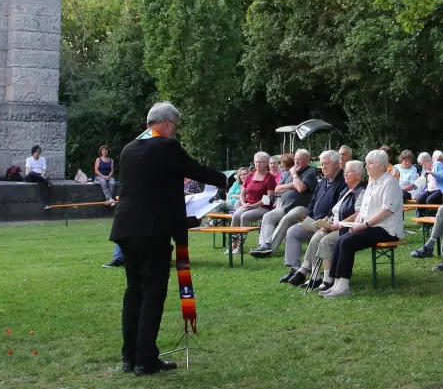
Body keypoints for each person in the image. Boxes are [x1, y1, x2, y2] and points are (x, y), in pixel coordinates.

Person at [109, 102, 228, 374]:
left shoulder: (129, 149)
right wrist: (224, 179)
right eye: (175, 127)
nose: (175, 132)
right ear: (166, 124)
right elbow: (194, 169)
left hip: (126, 228)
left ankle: (129, 356)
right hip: (152, 231)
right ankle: (146, 359)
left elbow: (154, 187)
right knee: (153, 293)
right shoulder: (165, 146)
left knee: (134, 291)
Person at [322, 150, 405, 298]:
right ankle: (335, 283)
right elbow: (363, 210)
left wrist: (364, 225)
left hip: (386, 229)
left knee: (347, 242)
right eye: (366, 163)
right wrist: (355, 224)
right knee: (340, 239)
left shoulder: (389, 182)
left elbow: (386, 211)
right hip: (370, 226)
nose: (367, 167)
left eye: (370, 163)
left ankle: (344, 286)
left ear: (381, 166)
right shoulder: (372, 183)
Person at [278, 153, 348, 285]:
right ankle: (294, 269)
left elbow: (337, 206)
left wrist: (320, 222)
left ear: (336, 164)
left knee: (317, 235)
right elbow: (312, 202)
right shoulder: (324, 182)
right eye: (321, 164)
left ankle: (306, 271)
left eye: (326, 164)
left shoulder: (342, 182)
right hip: (313, 221)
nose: (323, 167)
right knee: (292, 231)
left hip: (328, 223)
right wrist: (308, 219)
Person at [298, 162, 367, 291]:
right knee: (315, 239)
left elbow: (358, 214)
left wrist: (337, 225)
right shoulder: (346, 190)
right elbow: (334, 211)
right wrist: (324, 222)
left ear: (358, 175)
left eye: (349, 171)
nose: (345, 173)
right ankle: (315, 277)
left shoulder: (361, 192)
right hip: (334, 225)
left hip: (347, 227)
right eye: (345, 170)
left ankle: (328, 279)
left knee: (325, 241)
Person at [252, 149, 318, 257]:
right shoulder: (288, 172)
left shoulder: (310, 172)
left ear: (306, 161)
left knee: (287, 218)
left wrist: (294, 174)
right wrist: (292, 185)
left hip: (302, 207)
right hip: (285, 206)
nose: (296, 162)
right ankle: (263, 245)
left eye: (299, 160)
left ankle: (269, 248)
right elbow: (277, 189)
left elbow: (301, 188)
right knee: (268, 216)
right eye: (295, 159)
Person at [231, 153, 279, 229]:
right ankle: (234, 239)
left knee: (244, 216)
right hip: (248, 205)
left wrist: (254, 206)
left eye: (261, 162)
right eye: (256, 162)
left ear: (266, 164)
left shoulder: (270, 178)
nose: (258, 164)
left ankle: (242, 238)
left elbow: (268, 198)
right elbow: (242, 194)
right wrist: (243, 204)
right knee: (235, 215)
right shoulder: (249, 176)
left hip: (263, 207)